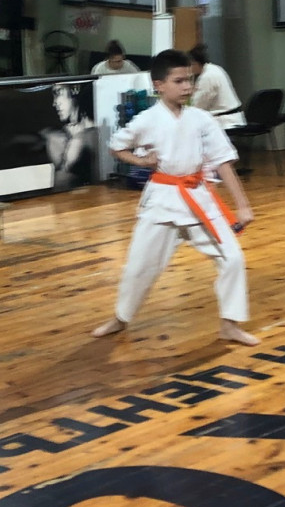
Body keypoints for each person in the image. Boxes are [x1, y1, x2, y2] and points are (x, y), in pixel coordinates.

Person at [91, 49, 258, 346]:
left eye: (189, 80)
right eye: (179, 81)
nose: (187, 87)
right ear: (159, 85)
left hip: (199, 197)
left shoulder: (203, 119)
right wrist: (142, 161)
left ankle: (230, 324)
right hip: (163, 200)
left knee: (232, 258)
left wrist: (243, 206)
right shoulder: (147, 119)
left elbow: (223, 162)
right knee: (140, 266)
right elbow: (116, 146)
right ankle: (120, 318)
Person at [186, 43, 246, 128]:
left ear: (195, 63)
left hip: (226, 122)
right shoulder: (215, 68)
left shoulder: (207, 77)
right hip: (232, 118)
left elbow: (197, 106)